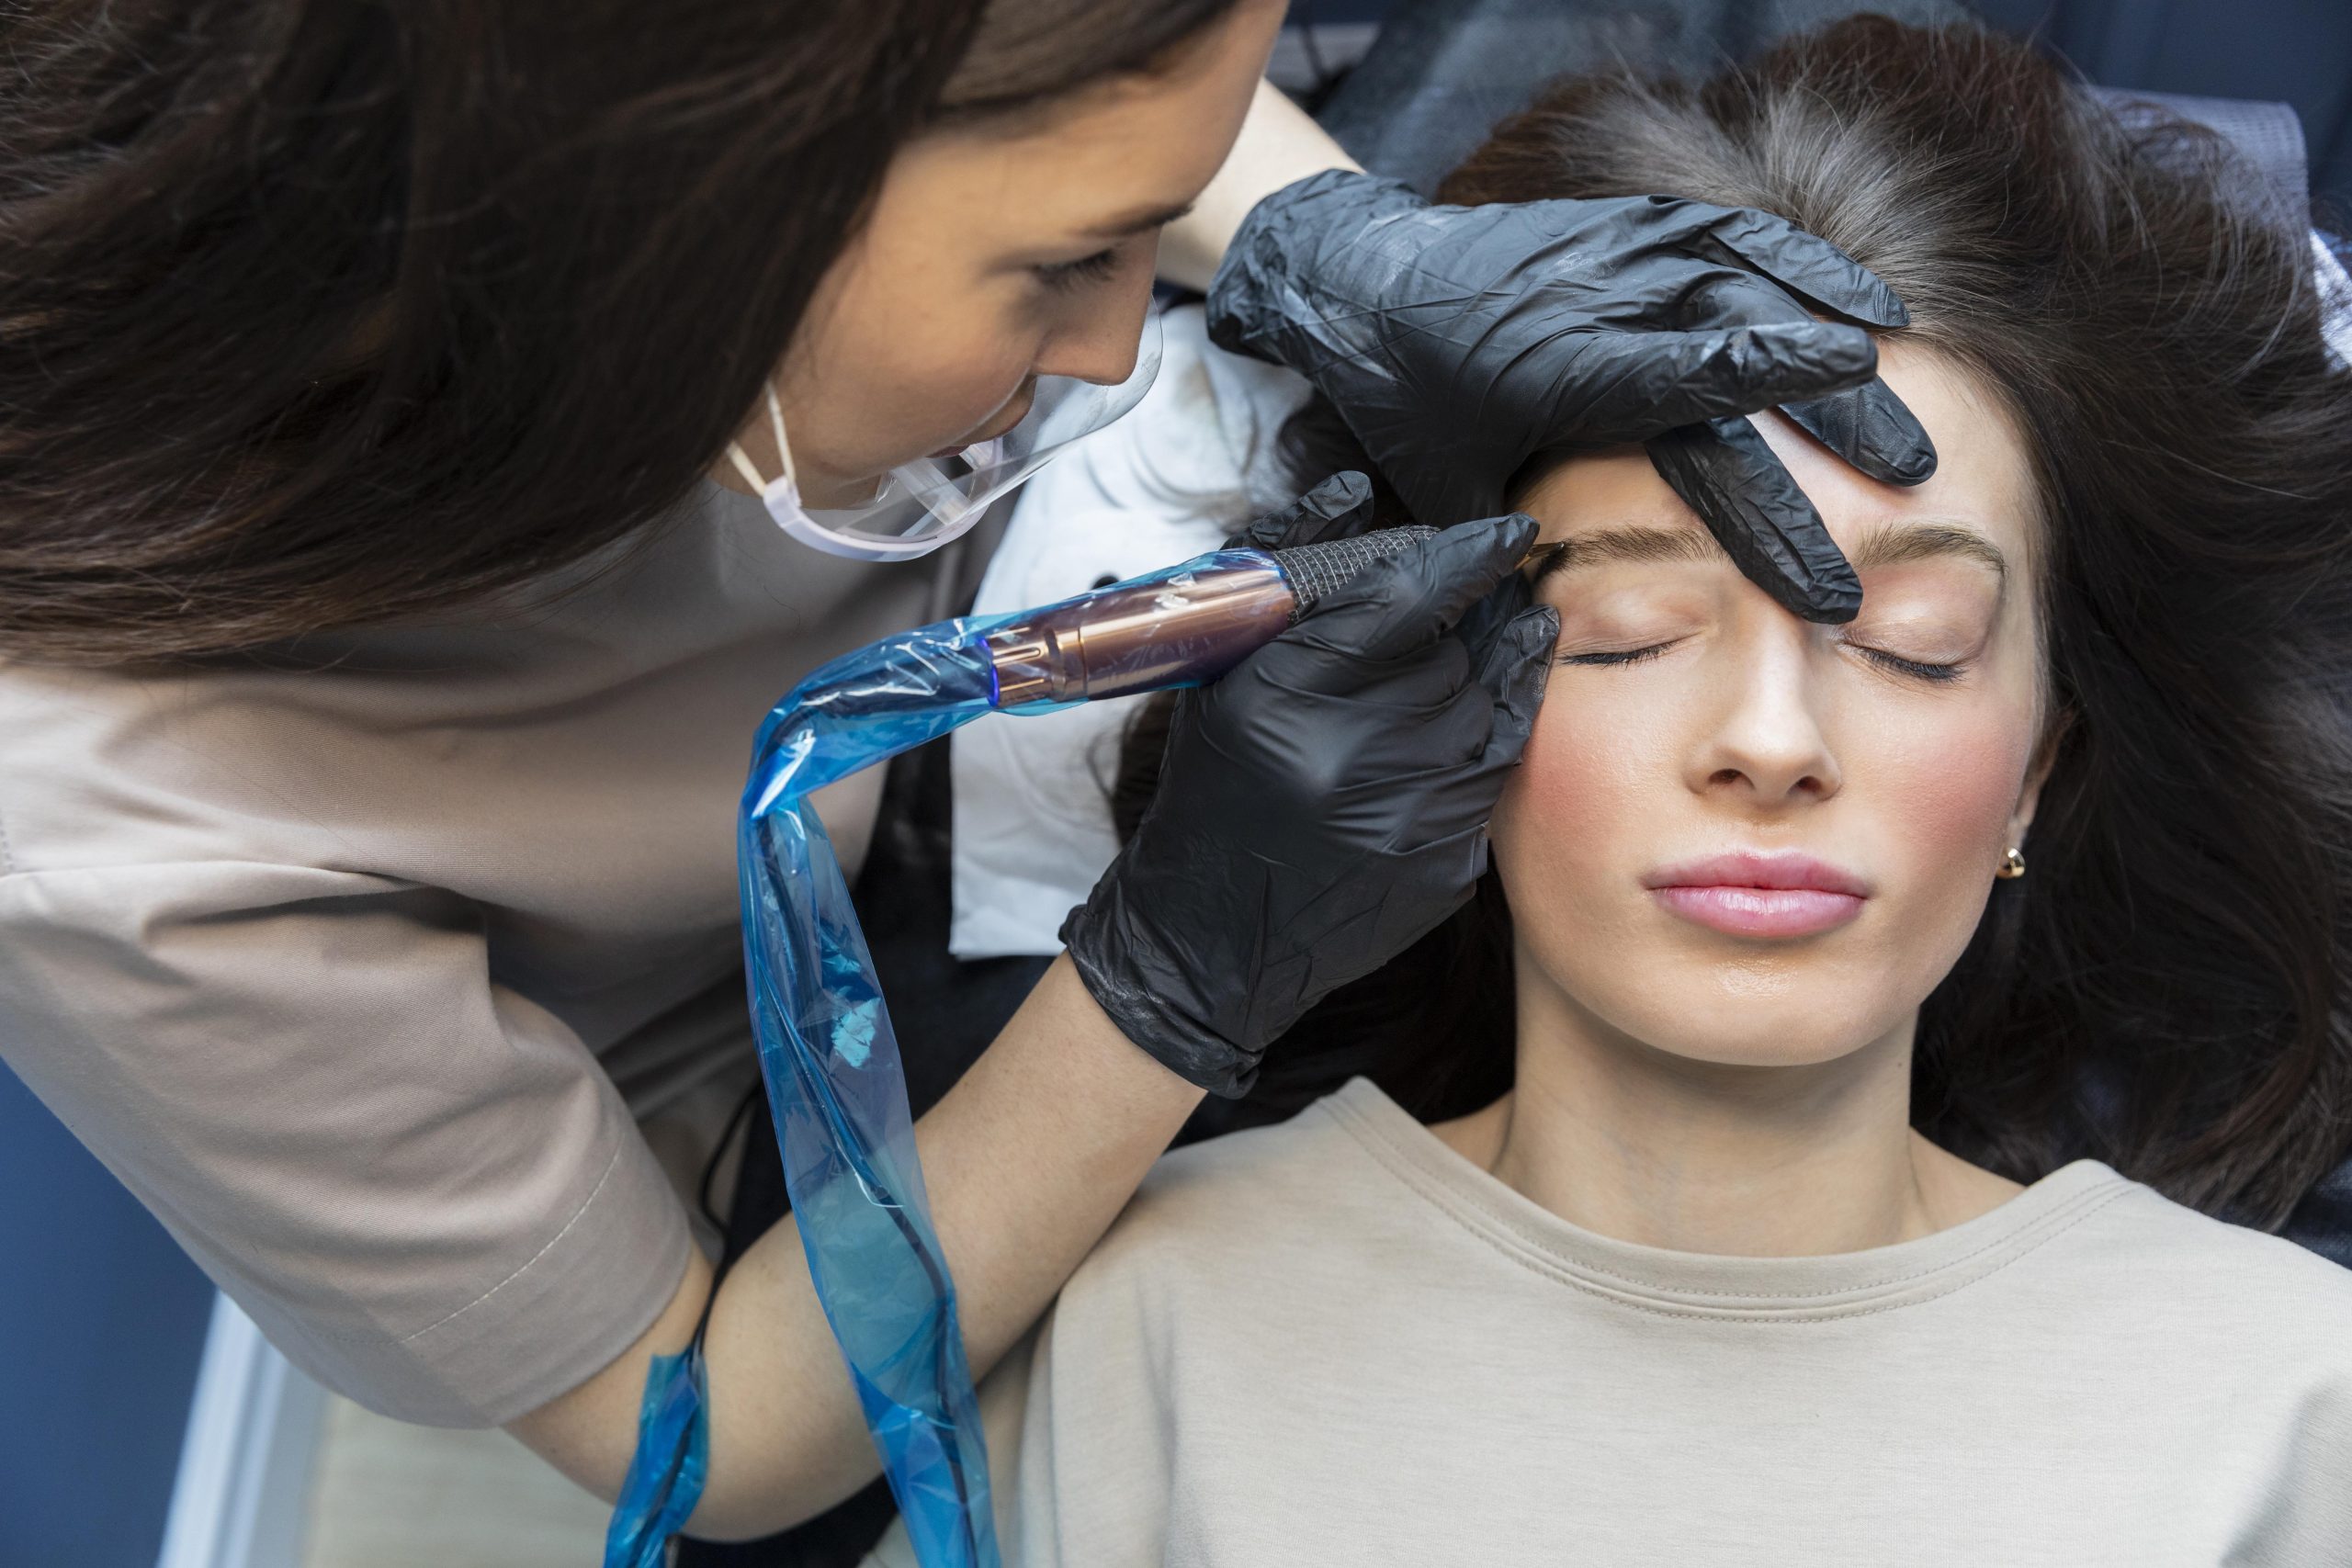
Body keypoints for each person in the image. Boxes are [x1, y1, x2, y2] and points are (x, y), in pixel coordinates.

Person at [0, 0, 1945, 1542]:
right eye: (1065, 265)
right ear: (673, 225)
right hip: (854, 1026)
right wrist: (1176, 966)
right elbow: (710, 1433)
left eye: (1919, 643)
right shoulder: (106, 834)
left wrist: (1326, 226)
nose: (1120, 350)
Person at [920, 18, 2352, 1562]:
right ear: (1432, 707)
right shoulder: (1146, 1327)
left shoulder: (2289, 1401)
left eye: (1914, 644)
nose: (1770, 740)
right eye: (1629, 629)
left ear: (2038, 772)